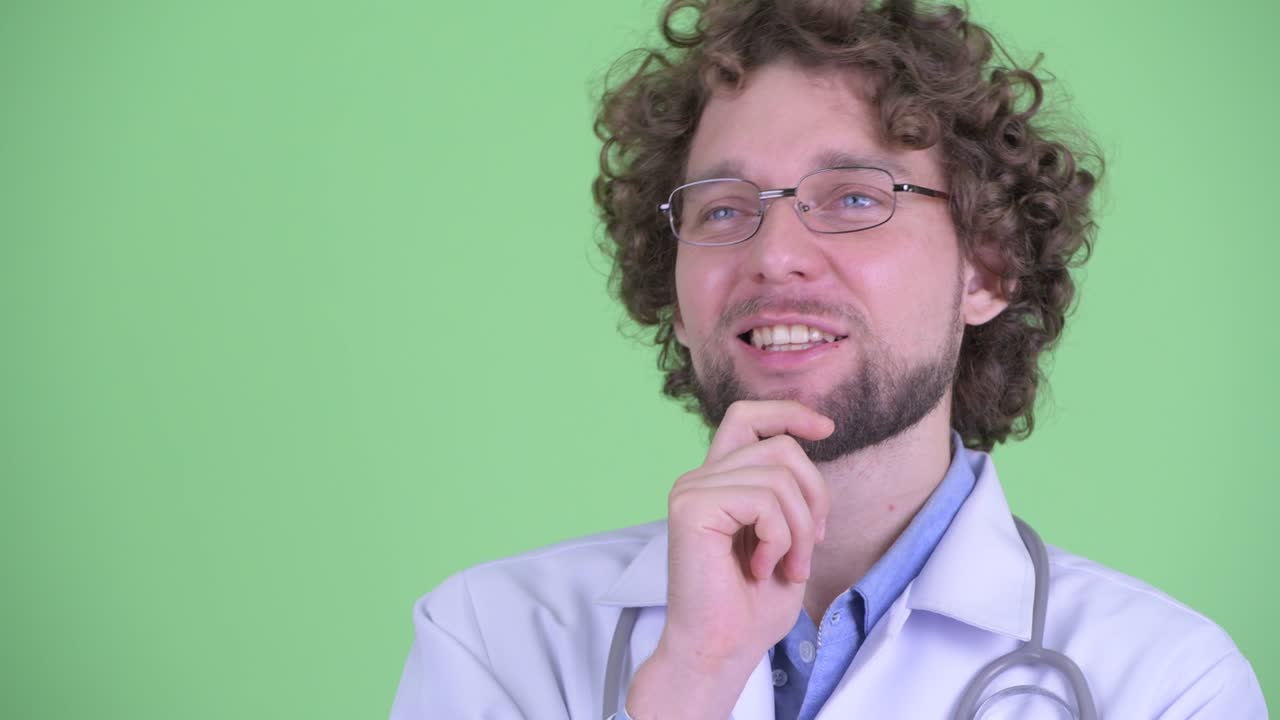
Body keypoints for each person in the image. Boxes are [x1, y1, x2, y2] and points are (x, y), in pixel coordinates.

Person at [390, 0, 1267, 717]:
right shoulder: (493, 642)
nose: (774, 254)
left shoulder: (1164, 685)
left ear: (989, 264)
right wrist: (690, 680)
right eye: (724, 209)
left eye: (853, 197)